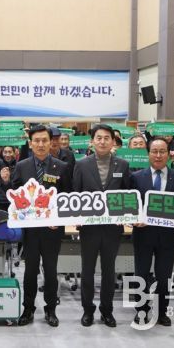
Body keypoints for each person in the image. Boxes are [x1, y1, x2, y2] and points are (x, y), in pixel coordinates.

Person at [13, 125, 71, 327]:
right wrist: (5, 182)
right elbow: (15, 194)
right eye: (36, 141)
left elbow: (67, 197)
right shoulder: (22, 166)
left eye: (44, 140)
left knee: (51, 270)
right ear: (30, 144)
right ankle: (28, 308)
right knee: (30, 270)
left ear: (50, 142)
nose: (40, 144)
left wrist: (58, 220)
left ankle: (51, 309)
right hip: (30, 230)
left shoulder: (61, 167)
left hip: (52, 229)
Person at [73, 124, 131, 328]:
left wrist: (127, 215)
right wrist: (76, 217)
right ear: (92, 141)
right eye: (99, 138)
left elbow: (127, 193)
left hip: (112, 228)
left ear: (113, 141)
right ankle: (87, 310)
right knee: (87, 270)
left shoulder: (122, 165)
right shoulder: (81, 165)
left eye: (107, 138)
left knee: (109, 271)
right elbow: (76, 193)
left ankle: (107, 311)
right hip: (89, 228)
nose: (103, 141)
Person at [129, 137, 174, 326]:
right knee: (141, 274)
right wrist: (133, 220)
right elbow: (131, 206)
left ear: (169, 154)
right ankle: (141, 310)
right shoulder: (136, 177)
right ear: (148, 154)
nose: (158, 155)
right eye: (154, 151)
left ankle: (162, 312)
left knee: (164, 276)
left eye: (162, 151)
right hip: (143, 235)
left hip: (168, 236)